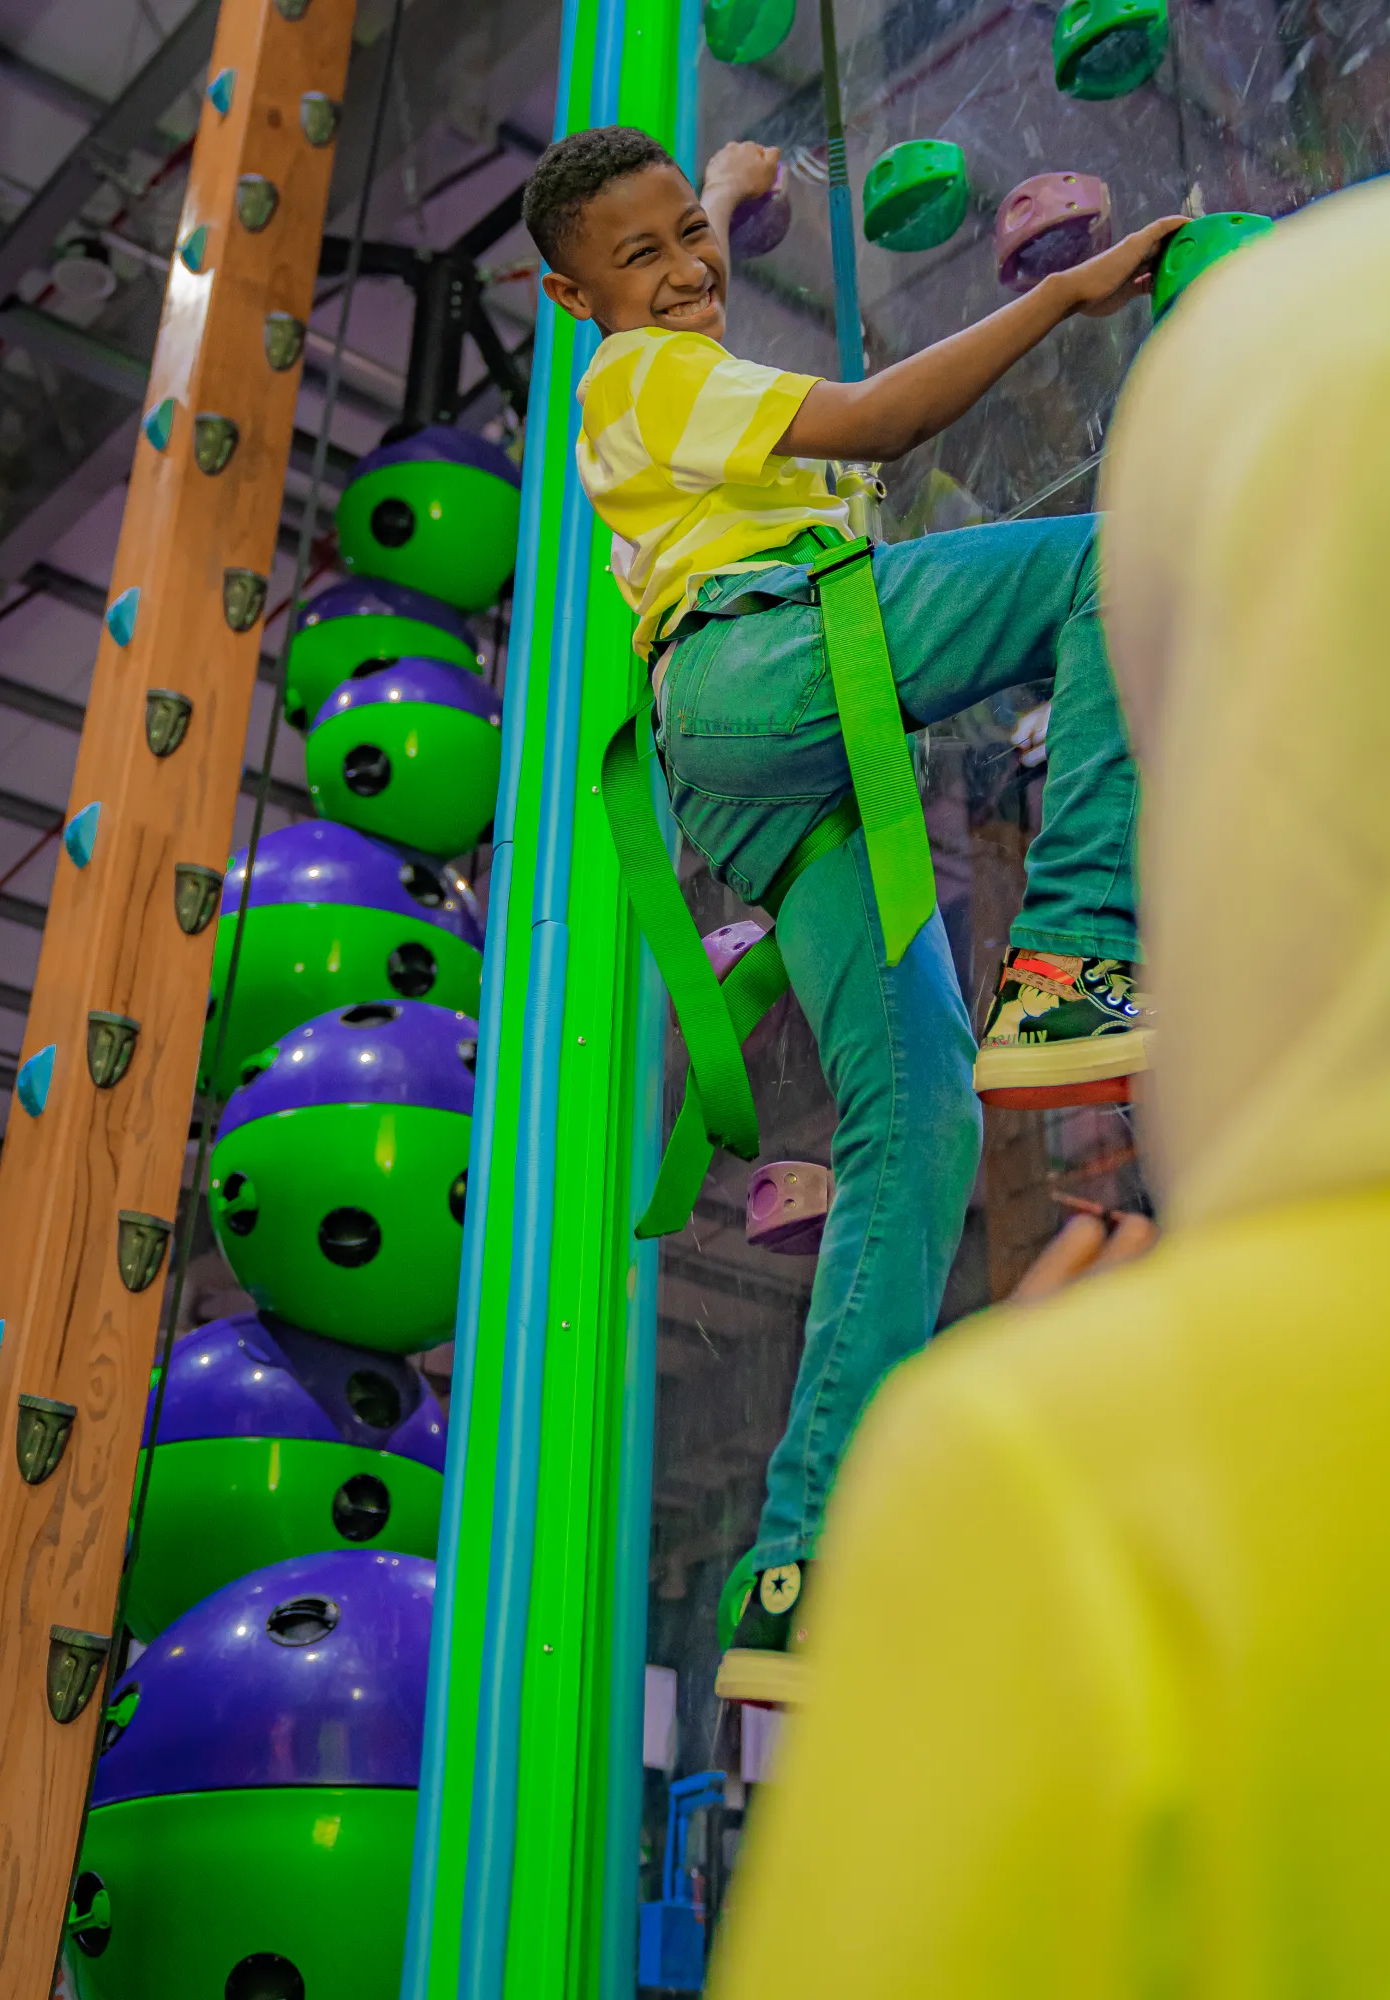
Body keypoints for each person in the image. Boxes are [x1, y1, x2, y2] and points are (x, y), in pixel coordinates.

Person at [707, 163, 1390, 1995]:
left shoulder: (1061, 1489)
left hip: (750, 685)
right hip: (774, 657)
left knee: (916, 1099)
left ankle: (1077, 941)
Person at [522, 125, 1181, 1699]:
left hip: (739, 763)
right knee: (1110, 561)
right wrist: (1070, 295)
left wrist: (730, 201)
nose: (687, 272)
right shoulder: (646, 380)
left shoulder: (641, 376)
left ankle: (801, 1569)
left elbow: (680, 274)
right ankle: (1079, 948)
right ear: (568, 299)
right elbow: (881, 420)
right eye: (646, 259)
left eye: (692, 236)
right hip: (774, 666)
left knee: (921, 1125)